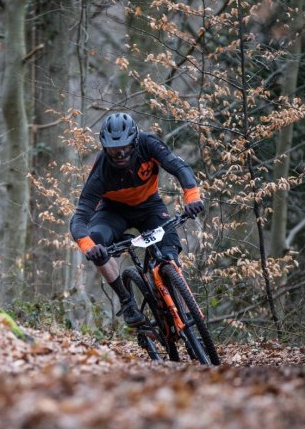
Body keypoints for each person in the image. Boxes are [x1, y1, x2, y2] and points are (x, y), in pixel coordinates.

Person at [69, 112, 204, 326]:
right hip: (113, 213)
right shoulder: (101, 172)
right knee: (95, 240)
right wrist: (88, 247)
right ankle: (127, 301)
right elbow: (79, 219)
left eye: (125, 146)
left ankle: (188, 317)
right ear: (105, 147)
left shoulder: (148, 143)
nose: (121, 153)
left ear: (135, 140)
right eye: (114, 149)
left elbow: (180, 167)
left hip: (150, 207)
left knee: (169, 257)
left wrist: (193, 198)